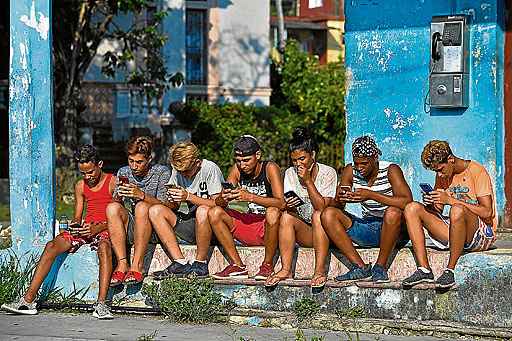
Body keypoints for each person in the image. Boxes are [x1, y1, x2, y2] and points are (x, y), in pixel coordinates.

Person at [1, 145, 116, 319]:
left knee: (105, 248)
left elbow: (120, 217)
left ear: (100, 164)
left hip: (106, 228)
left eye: (91, 172)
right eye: (83, 173)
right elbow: (78, 216)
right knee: (52, 245)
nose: (88, 177)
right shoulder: (80, 186)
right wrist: (75, 226)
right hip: (86, 228)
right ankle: (28, 300)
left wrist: (98, 228)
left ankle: (101, 304)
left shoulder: (112, 182)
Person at [316, 136, 412, 286]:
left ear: (375, 158)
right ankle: (360, 267)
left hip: (394, 229)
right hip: (369, 227)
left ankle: (380, 267)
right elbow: (338, 206)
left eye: (364, 163)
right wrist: (340, 197)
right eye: (357, 163)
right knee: (328, 214)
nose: (360, 168)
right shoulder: (350, 170)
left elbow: (407, 201)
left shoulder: (391, 170)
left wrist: (371, 195)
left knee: (393, 212)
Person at [402, 140, 497, 289]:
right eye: (435, 171)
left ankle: (450, 270)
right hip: (455, 230)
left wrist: (450, 200)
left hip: (481, 233)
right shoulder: (442, 175)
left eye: (441, 169)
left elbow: (487, 212)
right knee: (411, 208)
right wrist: (430, 202)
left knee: (457, 209)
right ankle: (424, 270)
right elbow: (438, 210)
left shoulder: (477, 171)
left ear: (451, 159)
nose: (439, 174)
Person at [265, 128, 337, 287]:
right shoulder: (290, 173)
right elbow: (290, 210)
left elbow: (321, 207)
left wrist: (308, 181)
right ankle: (285, 269)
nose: (298, 164)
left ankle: (319, 271)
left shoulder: (328, 173)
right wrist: (288, 206)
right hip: (307, 232)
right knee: (286, 217)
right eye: (294, 160)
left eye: (302, 159)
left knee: (318, 215)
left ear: (313, 155)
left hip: (326, 232)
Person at [209, 135, 284, 280]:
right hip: (250, 224)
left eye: (246, 160)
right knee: (215, 212)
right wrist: (223, 197)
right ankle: (237, 265)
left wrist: (250, 197)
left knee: (273, 212)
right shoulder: (237, 170)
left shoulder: (270, 168)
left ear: (258, 155)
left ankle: (267, 265)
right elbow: (219, 202)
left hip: (269, 227)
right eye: (238, 161)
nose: (242, 165)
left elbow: (281, 203)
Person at [147, 141, 224, 279]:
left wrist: (188, 196)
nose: (185, 175)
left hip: (213, 226)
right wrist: (172, 200)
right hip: (192, 223)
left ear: (197, 162)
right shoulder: (178, 171)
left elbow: (218, 205)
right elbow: (174, 207)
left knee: (203, 210)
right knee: (155, 210)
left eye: (187, 171)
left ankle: (200, 263)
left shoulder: (209, 168)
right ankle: (180, 262)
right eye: (181, 172)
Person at [107, 136, 170, 285]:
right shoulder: (124, 172)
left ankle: (137, 266)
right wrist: (118, 194)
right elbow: (117, 202)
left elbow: (166, 206)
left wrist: (141, 195)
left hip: (157, 226)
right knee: (112, 208)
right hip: (136, 225)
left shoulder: (161, 172)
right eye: (131, 161)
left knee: (142, 206)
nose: (134, 166)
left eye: (139, 162)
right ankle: (122, 264)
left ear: (149, 159)